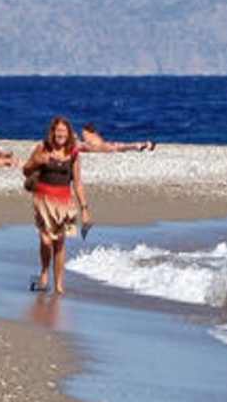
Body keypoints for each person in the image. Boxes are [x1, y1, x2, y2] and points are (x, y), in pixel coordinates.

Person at [22, 117, 90, 295]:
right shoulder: (42, 148)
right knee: (46, 240)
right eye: (58, 131)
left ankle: (59, 284)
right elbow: (26, 170)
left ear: (69, 134)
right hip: (43, 201)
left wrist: (84, 209)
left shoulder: (74, 153)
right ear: (52, 132)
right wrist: (37, 162)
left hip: (66, 204)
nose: (61, 134)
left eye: (64, 131)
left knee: (60, 243)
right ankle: (44, 272)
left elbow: (78, 183)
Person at [79, 123, 155, 153]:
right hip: (104, 145)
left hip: (99, 146)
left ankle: (141, 145)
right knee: (121, 146)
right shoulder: (95, 135)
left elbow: (82, 147)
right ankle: (142, 145)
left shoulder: (87, 135)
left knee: (120, 146)